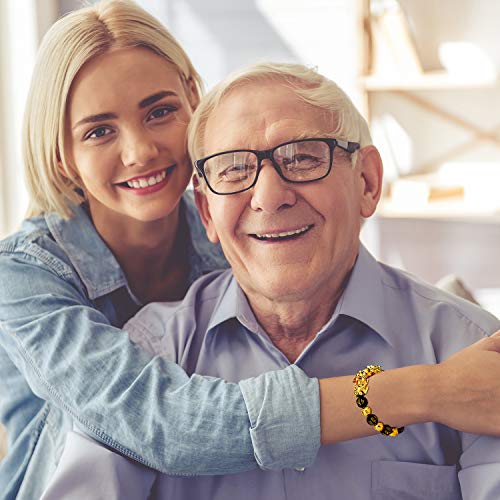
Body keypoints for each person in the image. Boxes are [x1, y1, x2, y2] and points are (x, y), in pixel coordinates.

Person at [40, 62, 500, 499]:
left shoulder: (473, 354)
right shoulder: (152, 356)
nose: (269, 196)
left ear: (367, 183)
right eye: (235, 169)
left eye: (302, 158)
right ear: (206, 213)